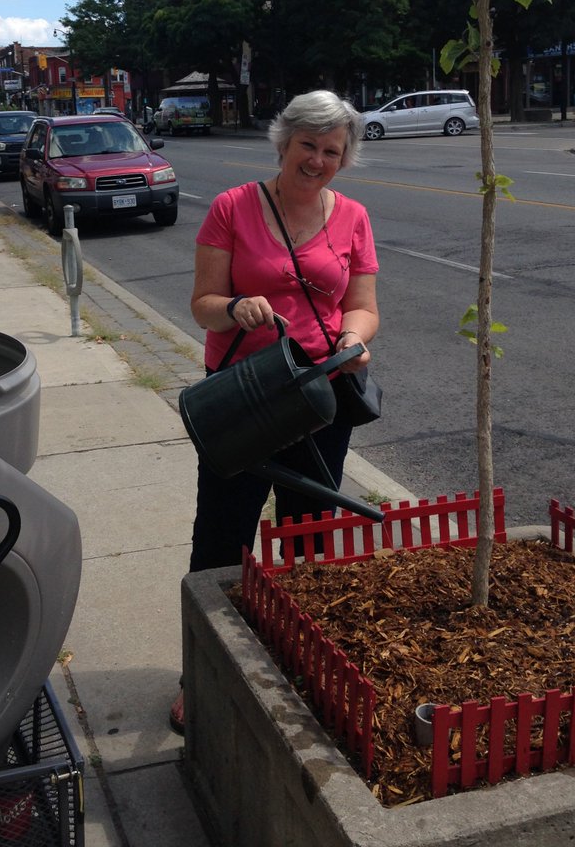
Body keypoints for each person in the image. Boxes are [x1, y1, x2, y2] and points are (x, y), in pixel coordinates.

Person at [170, 90, 379, 733]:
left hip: (318, 398)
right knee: (221, 539)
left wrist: (353, 339)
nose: (318, 160)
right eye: (308, 146)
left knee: (308, 540)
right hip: (244, 396)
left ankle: (296, 662)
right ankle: (201, 676)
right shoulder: (234, 206)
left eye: (332, 151)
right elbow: (203, 304)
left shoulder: (353, 217)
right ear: (284, 143)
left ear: (344, 158)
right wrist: (236, 308)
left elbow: (362, 305)